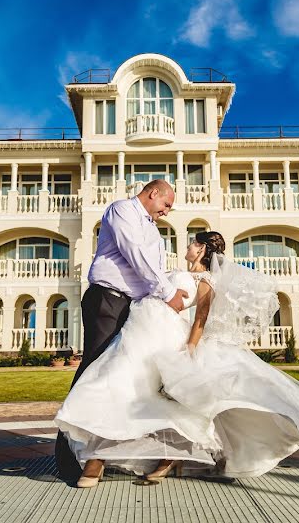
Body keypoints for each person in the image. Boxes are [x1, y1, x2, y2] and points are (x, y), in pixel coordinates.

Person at [55, 231, 299, 487]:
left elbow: (200, 319)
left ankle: (139, 458)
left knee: (140, 392)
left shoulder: (205, 281)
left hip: (160, 334)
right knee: (114, 384)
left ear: (201, 249)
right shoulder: (177, 272)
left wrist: (189, 350)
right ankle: (99, 456)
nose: (188, 246)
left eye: (192, 243)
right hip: (137, 331)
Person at [53, 179, 189, 482]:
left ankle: (108, 448)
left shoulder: (153, 229)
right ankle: (71, 453)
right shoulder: (122, 210)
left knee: (122, 373)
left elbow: (151, 268)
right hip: (108, 300)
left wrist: (166, 295)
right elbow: (135, 254)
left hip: (134, 306)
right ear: (154, 193)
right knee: (94, 370)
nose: (167, 212)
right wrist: (168, 294)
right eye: (166, 204)